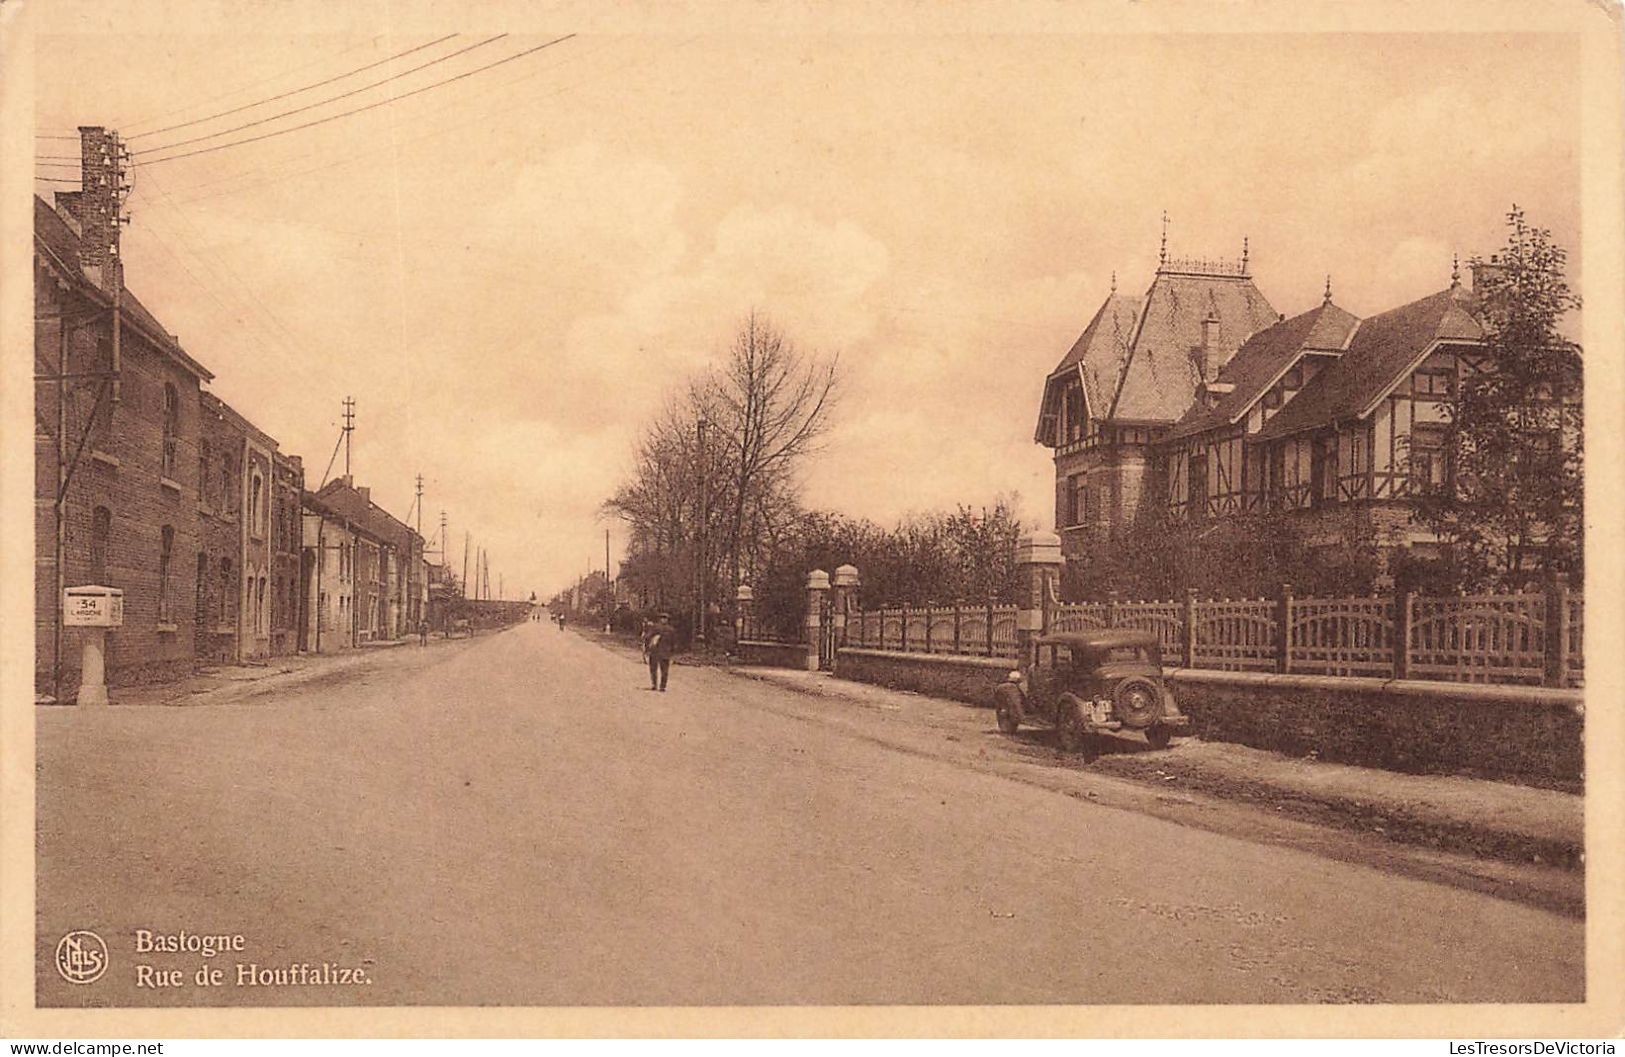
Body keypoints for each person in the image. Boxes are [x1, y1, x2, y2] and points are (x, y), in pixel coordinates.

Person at [642, 612, 676, 691]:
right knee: (664, 670)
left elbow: (648, 637)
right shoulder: (671, 629)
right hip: (665, 653)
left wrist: (647, 649)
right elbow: (673, 643)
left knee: (653, 669)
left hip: (655, 652)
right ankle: (662, 686)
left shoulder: (655, 627)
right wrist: (672, 653)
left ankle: (654, 684)